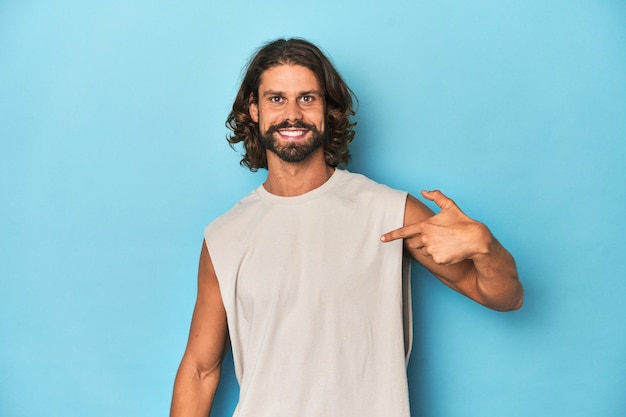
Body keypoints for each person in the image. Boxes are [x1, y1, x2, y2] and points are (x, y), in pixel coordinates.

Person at [170, 38, 523, 417]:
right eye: (276, 99)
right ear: (254, 109)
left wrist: (486, 246)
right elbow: (199, 370)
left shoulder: (391, 213)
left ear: (328, 109)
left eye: (307, 98)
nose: (292, 114)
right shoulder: (225, 236)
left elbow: (504, 296)